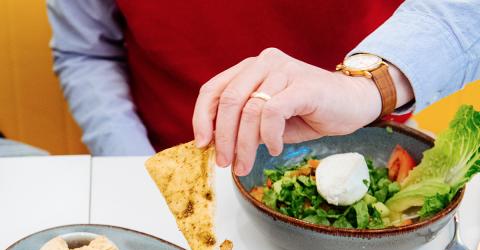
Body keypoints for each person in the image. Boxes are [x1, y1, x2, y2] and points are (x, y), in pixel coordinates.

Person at [47, 1, 480, 175]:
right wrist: (140, 170)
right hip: (178, 156)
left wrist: (368, 87)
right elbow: (87, 54)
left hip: (371, 147)